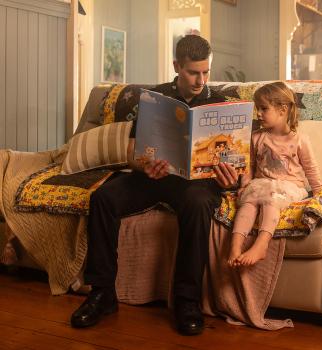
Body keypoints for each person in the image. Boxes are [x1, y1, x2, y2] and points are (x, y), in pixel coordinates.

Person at [70, 35, 239, 336]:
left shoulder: (220, 105)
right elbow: (133, 153)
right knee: (103, 198)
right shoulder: (153, 98)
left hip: (195, 185)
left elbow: (235, 162)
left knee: (199, 203)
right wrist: (145, 164)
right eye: (193, 72)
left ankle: (187, 301)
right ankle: (102, 293)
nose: (201, 80)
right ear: (177, 66)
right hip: (154, 177)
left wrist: (230, 179)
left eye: (206, 72)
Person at [227, 82, 322, 267]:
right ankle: (235, 246)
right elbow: (250, 165)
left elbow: (311, 169)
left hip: (289, 188)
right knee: (247, 203)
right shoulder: (257, 137)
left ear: (282, 109)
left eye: (264, 109)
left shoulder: (299, 140)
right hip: (260, 183)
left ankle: (261, 245)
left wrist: (319, 193)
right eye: (257, 109)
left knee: (272, 200)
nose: (258, 114)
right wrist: (245, 185)